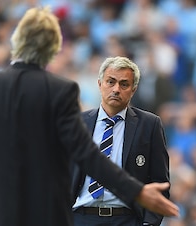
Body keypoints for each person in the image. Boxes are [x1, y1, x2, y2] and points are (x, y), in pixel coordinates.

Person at [0, 6, 179, 226]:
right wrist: (137, 191)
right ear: (53, 48)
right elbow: (86, 153)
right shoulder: (60, 90)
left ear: (16, 42)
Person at [71, 56, 170, 226]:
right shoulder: (78, 123)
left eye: (124, 84)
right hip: (81, 217)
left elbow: (160, 181)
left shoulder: (149, 124)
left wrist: (149, 223)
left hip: (127, 219)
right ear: (99, 84)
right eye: (111, 82)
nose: (116, 89)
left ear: (133, 90)